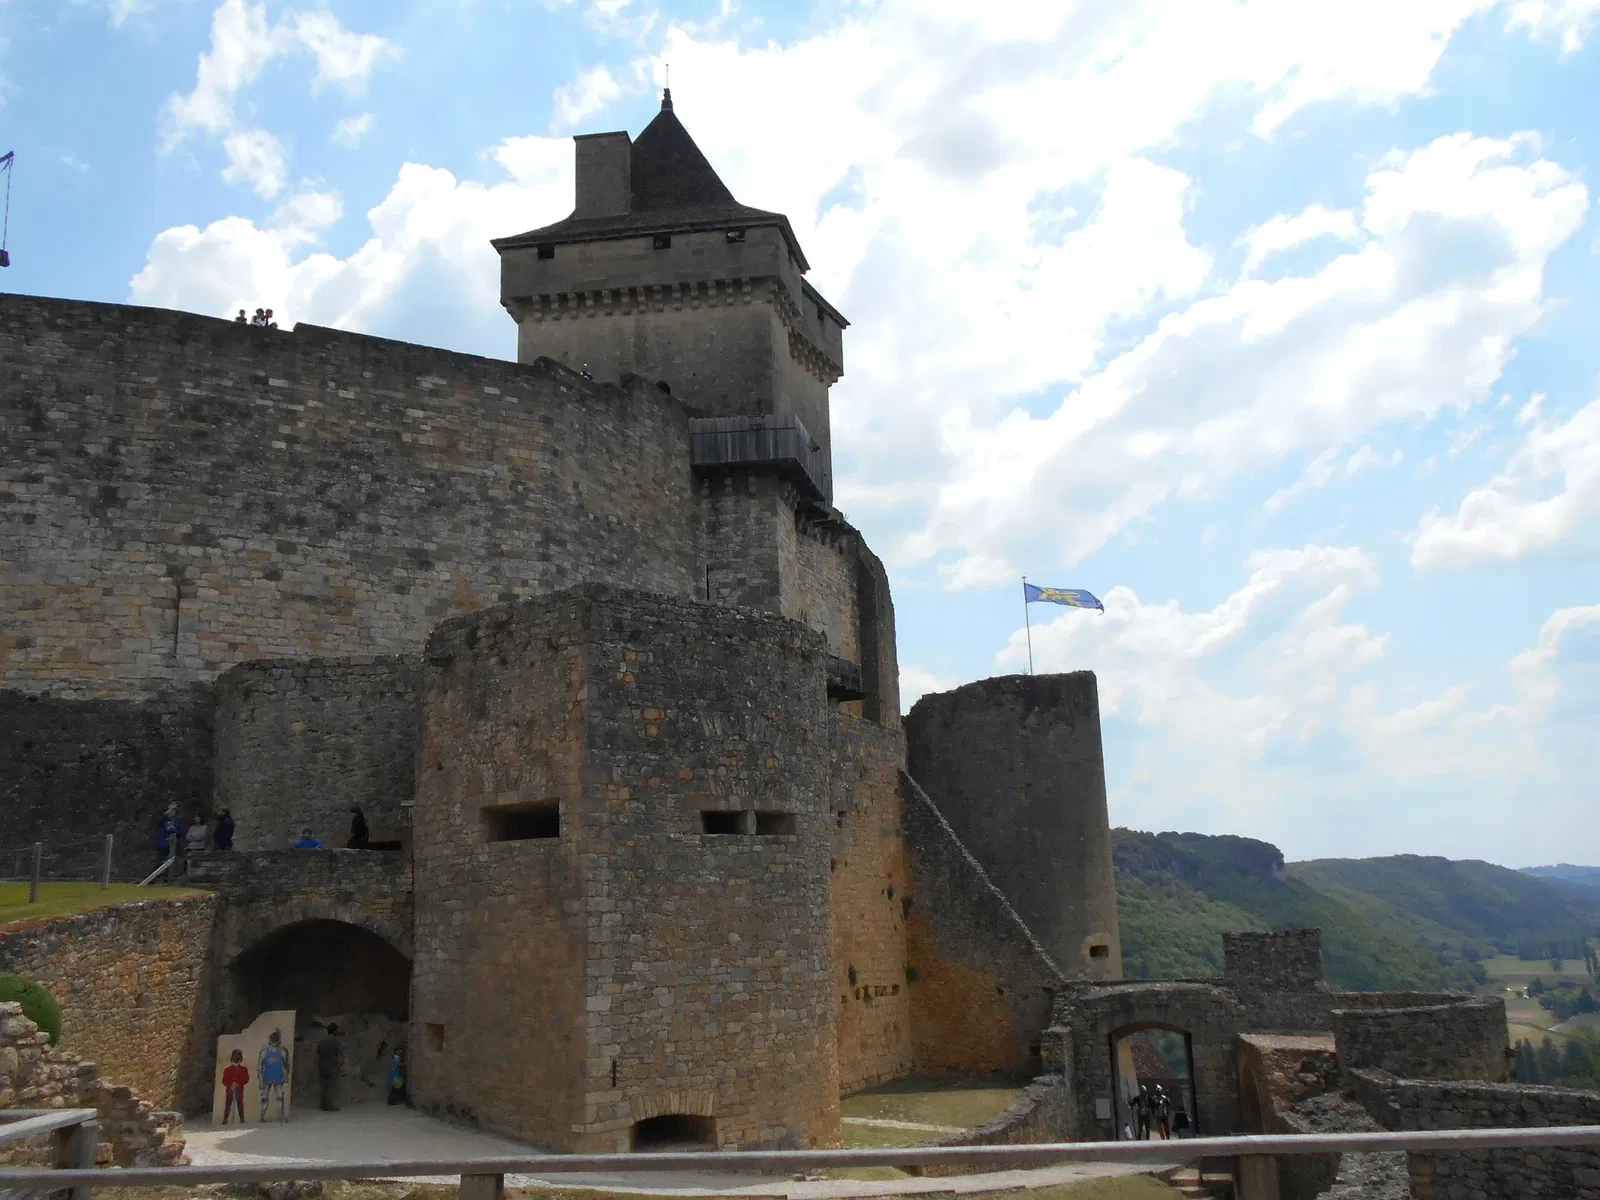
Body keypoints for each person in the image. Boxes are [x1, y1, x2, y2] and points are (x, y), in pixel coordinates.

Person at [258, 1029, 290, 1121]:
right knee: (279, 1097)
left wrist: (260, 1080)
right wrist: (285, 1076)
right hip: (277, 1076)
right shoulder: (282, 1052)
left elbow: (260, 1067)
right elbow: (286, 1066)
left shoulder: (265, 1052)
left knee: (266, 1097)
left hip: (267, 1076)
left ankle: (262, 1116)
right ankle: (281, 1117)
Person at [316, 1023, 345, 1111]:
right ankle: (329, 1106)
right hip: (333, 1067)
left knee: (323, 1087)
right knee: (331, 1087)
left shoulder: (321, 1042)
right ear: (335, 1031)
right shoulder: (337, 1042)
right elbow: (339, 1056)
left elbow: (318, 1054)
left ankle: (323, 1105)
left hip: (322, 1067)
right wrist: (340, 1065)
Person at [221, 1048, 250, 1124]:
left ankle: (242, 1119)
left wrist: (239, 1084)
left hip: (239, 1089)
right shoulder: (227, 1069)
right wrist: (230, 1085)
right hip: (230, 1089)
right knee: (228, 1104)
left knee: (240, 1103)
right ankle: (225, 1119)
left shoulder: (244, 1069)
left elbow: (246, 1079)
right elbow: (224, 1081)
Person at [154, 803, 181, 872]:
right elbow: (159, 821)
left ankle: (166, 879)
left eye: (174, 811)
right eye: (172, 811)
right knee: (160, 863)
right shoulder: (164, 821)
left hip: (171, 846)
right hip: (162, 844)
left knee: (169, 863)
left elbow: (178, 833)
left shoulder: (177, 822)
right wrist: (169, 810)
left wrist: (172, 830)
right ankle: (154, 878)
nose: (173, 812)